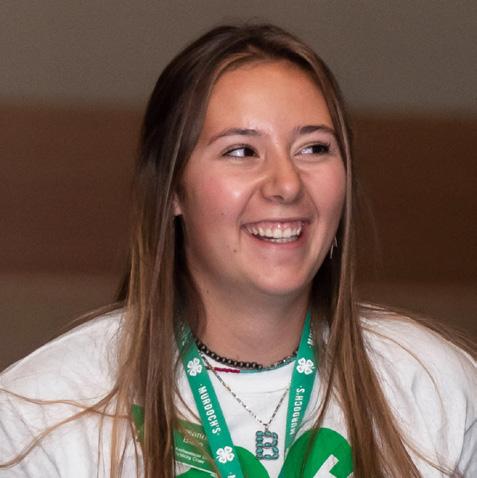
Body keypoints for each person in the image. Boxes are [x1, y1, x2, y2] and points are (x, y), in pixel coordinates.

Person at [0, 23, 475, 478]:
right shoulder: (44, 413)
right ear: (173, 191)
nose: (287, 184)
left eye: (314, 148)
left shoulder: (435, 387)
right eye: (241, 152)